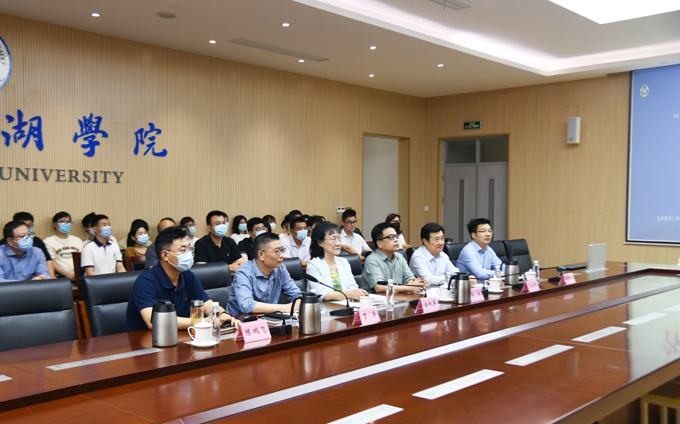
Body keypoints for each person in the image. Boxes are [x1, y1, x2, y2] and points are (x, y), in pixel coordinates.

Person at [124, 226, 240, 332]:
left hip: (181, 337)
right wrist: (202, 321)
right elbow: (154, 322)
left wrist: (223, 314)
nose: (189, 254)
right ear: (165, 255)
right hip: (145, 342)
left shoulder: (187, 275)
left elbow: (207, 304)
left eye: (190, 249)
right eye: (183, 250)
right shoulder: (146, 281)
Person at [227, 232, 302, 315]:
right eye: (277, 251)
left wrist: (298, 302)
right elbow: (246, 305)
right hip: (241, 320)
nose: (281, 255)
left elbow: (296, 294)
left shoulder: (280, 269)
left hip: (270, 319)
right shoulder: (243, 273)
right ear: (261, 254)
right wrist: (284, 308)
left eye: (282, 250)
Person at [306, 222, 368, 301]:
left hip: (346, 305)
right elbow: (323, 294)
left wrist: (355, 293)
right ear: (320, 242)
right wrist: (349, 294)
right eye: (333, 239)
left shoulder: (344, 262)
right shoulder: (313, 265)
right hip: (325, 307)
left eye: (339, 238)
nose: (338, 243)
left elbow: (353, 286)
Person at [361, 222, 426, 293]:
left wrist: (417, 283)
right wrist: (408, 287)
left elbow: (409, 279)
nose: (396, 240)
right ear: (379, 243)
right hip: (376, 299)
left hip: (399, 298)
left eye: (396, 236)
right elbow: (379, 287)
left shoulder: (399, 257)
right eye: (391, 237)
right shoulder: (372, 260)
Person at [0, 211, 56, 279]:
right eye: (22, 236)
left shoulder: (37, 252)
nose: (28, 238)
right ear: (10, 241)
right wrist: (30, 284)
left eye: (29, 235)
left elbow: (44, 275)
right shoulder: (1, 254)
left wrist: (42, 279)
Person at [44, 211, 83, 282]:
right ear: (55, 224)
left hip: (79, 275)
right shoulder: (48, 241)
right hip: (61, 277)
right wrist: (69, 275)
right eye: (62, 221)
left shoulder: (77, 240)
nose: (66, 224)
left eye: (68, 222)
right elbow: (51, 261)